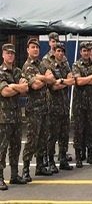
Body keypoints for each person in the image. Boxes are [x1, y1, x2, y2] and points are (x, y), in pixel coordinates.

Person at [21, 37, 53, 180]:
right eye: (32, 47)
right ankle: (26, 169)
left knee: (43, 138)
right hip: (33, 109)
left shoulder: (42, 64)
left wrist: (41, 78)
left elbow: (51, 78)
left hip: (44, 108)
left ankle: (40, 166)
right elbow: (34, 85)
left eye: (37, 47)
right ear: (28, 50)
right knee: (32, 139)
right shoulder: (27, 66)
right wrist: (44, 78)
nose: (35, 49)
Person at [0, 43, 29, 189]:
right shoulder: (0, 72)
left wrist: (12, 87)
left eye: (12, 53)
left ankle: (14, 175)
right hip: (4, 118)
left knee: (16, 147)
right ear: (3, 55)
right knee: (2, 148)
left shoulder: (17, 71)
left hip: (17, 116)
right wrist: (17, 87)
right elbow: (4, 92)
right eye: (8, 53)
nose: (10, 55)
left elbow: (25, 89)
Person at [45, 41, 74, 172]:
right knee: (52, 135)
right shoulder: (49, 65)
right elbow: (53, 86)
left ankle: (62, 159)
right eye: (58, 51)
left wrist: (61, 80)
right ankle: (50, 161)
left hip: (64, 106)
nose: (60, 53)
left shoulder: (65, 64)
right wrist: (64, 82)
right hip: (53, 106)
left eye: (62, 51)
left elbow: (71, 80)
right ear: (54, 52)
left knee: (64, 135)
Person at [71, 42, 92, 168]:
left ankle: (90, 154)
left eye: (88, 50)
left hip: (91, 103)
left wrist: (85, 79)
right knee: (79, 130)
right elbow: (78, 82)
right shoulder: (76, 65)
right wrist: (90, 77)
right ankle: (78, 155)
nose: (86, 53)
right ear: (80, 52)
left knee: (90, 129)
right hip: (79, 104)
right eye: (84, 51)